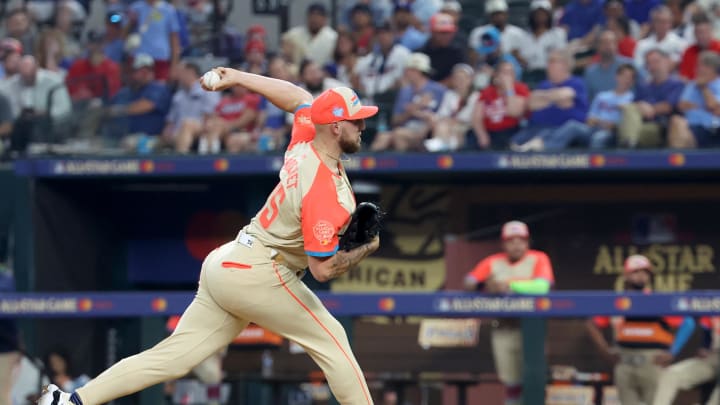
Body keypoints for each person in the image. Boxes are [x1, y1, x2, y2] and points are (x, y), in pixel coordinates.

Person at [38, 68, 381, 405]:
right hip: (260, 270)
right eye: (356, 120)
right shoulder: (324, 189)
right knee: (332, 337)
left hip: (228, 260)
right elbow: (322, 270)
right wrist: (365, 248)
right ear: (335, 126)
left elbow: (300, 100)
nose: (363, 125)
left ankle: (71, 401)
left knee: (173, 357)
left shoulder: (305, 143)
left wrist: (238, 76)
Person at [464, 221, 555, 405]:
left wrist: (508, 285)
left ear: (527, 242)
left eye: (521, 240)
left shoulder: (538, 258)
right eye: (511, 240)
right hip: (504, 327)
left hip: (532, 329)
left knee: (534, 381)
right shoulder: (493, 261)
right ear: (503, 243)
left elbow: (542, 287)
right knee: (512, 382)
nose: (516, 244)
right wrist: (484, 286)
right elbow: (469, 281)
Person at [586, 255, 696, 405]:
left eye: (645, 272)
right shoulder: (618, 301)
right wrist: (604, 350)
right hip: (624, 362)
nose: (641, 276)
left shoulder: (657, 300)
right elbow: (591, 324)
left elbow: (688, 322)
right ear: (626, 274)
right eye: (636, 271)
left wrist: (672, 352)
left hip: (652, 362)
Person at [653, 316, 719, 405]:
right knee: (671, 374)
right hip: (711, 359)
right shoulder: (709, 309)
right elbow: (689, 323)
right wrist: (672, 352)